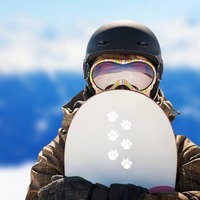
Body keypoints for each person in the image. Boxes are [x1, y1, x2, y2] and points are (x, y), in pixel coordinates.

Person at [25, 20, 200, 200]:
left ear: (155, 81)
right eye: (106, 75)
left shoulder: (183, 153)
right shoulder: (59, 152)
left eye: (138, 76)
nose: (121, 87)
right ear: (90, 81)